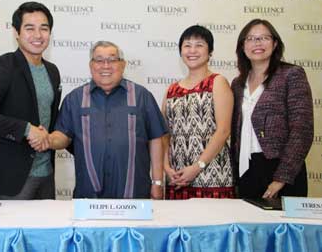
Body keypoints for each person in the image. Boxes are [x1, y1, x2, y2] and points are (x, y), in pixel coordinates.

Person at [41, 41, 167, 199]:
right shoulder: (74, 99)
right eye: (99, 60)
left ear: (123, 65)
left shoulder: (142, 96)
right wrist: (49, 139)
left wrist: (157, 182)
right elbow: (63, 136)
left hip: (134, 194)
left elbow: (156, 139)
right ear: (91, 65)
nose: (105, 66)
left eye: (112, 60)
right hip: (88, 196)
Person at [0, 2, 61, 200]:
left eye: (44, 29)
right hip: (14, 177)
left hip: (47, 174)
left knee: (46, 231)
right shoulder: (5, 65)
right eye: (29, 28)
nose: (38, 35)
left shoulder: (52, 71)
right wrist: (26, 129)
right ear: (16, 32)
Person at [231, 19, 313, 199]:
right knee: (250, 227)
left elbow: (302, 131)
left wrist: (281, 178)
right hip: (246, 169)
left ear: (275, 43)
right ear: (242, 46)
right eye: (251, 38)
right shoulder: (237, 84)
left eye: (263, 38)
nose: (257, 43)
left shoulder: (291, 75)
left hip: (282, 170)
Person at [162, 25, 235, 200]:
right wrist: (166, 167)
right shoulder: (171, 90)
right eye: (187, 45)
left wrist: (197, 167)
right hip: (177, 178)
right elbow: (164, 134)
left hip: (212, 175)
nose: (192, 50)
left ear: (210, 52)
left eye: (199, 45)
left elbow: (224, 130)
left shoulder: (217, 82)